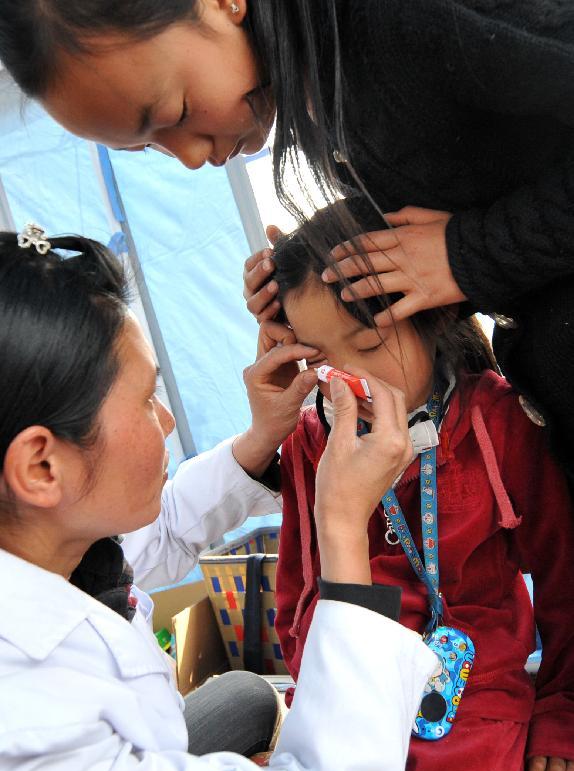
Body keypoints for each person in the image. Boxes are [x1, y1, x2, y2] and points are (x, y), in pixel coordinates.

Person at [0, 225, 438, 771]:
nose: (169, 418)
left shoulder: (41, 547)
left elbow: (166, 527)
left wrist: (265, 437)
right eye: (147, 398)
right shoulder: (31, 752)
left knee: (242, 694)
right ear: (40, 464)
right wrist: (342, 526)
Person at [0, 0, 572, 487]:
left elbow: (470, 241)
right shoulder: (323, 82)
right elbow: (484, 194)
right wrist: (308, 280)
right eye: (147, 147)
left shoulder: (403, 19)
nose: (193, 157)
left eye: (173, 112)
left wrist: (471, 254)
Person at [261, 199, 574, 771]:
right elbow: (298, 587)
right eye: (321, 357)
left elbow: (563, 579)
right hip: (353, 687)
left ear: (432, 315)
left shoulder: (501, 421)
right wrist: (317, 695)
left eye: (368, 347)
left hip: (473, 694)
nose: (349, 382)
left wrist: (562, 710)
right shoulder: (317, 438)